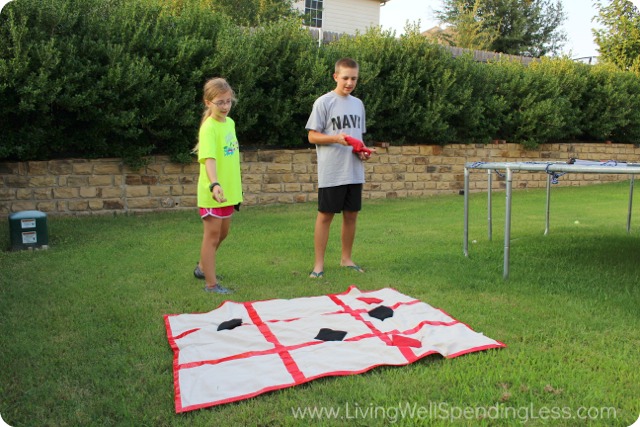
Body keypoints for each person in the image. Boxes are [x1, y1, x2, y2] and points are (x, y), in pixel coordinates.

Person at [305, 57, 374, 279]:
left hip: (353, 170)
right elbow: (312, 135)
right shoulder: (323, 102)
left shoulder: (358, 104)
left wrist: (362, 151)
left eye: (354, 78)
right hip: (332, 171)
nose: (349, 82)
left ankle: (346, 259)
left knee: (351, 215)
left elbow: (357, 138)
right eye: (345, 78)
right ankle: (318, 266)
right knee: (325, 216)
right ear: (336, 76)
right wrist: (336, 138)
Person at [192, 77, 242, 294]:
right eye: (219, 102)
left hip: (228, 191)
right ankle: (211, 285)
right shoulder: (208, 128)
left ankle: (203, 267)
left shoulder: (229, 123)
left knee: (223, 233)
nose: (225, 107)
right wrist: (214, 184)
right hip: (213, 191)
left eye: (228, 101)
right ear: (207, 103)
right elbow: (209, 159)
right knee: (212, 236)